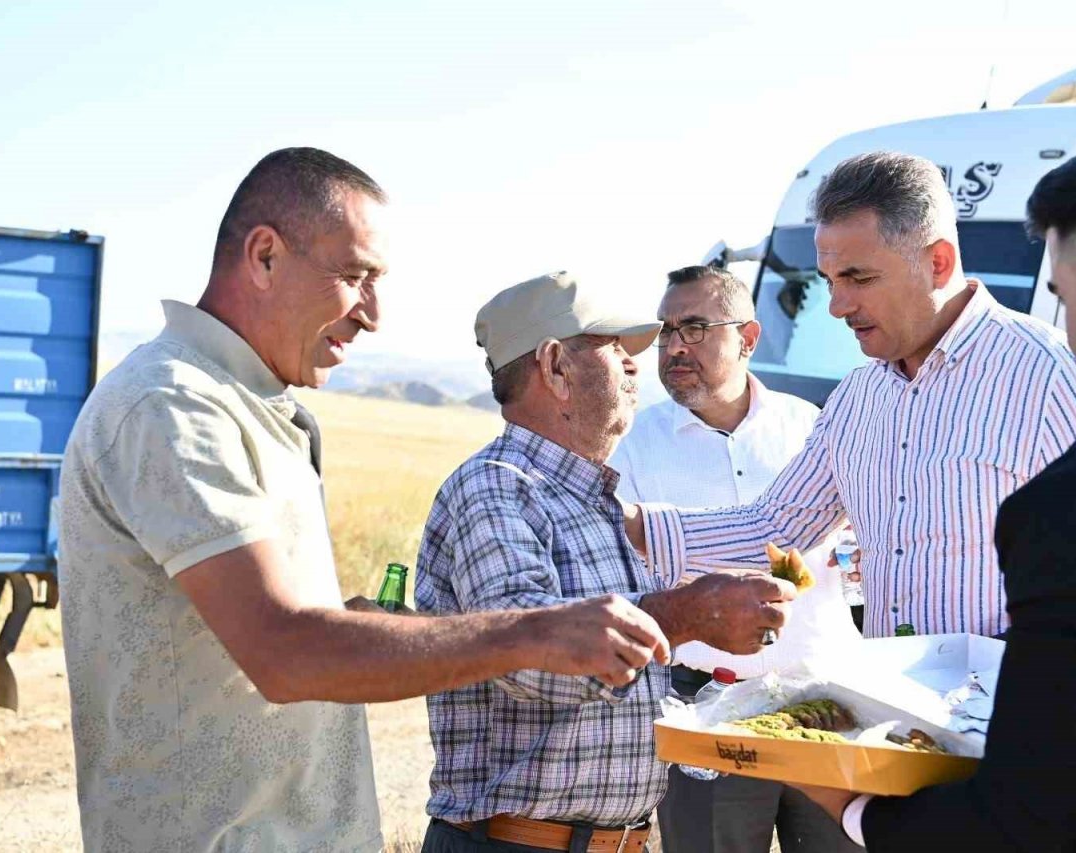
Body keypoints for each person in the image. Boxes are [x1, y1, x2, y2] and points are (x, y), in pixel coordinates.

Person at [58, 150, 677, 852]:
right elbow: (283, 651)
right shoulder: (173, 404)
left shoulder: (254, 406)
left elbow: (266, 635)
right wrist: (534, 632)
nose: (373, 315)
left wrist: (349, 625)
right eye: (355, 276)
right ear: (264, 256)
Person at [795, 124, 1076, 851]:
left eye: (1064, 296)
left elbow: (1025, 819)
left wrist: (850, 807)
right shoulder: (860, 398)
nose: (1069, 333)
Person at [625, 151, 1076, 639]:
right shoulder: (858, 396)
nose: (836, 306)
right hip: (887, 707)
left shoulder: (1049, 375)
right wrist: (626, 523)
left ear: (938, 263)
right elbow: (774, 527)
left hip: (1017, 706)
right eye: (830, 282)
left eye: (859, 278)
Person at [417, 271, 798, 853]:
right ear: (554, 367)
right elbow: (530, 663)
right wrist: (687, 614)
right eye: (616, 349)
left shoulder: (594, 500)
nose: (635, 366)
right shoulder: (494, 490)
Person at [609, 264, 860, 853]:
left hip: (825, 705)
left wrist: (853, 558)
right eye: (667, 331)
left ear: (747, 337)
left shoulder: (814, 428)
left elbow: (855, 539)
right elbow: (622, 573)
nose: (674, 346)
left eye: (694, 328)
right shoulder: (632, 446)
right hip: (703, 712)